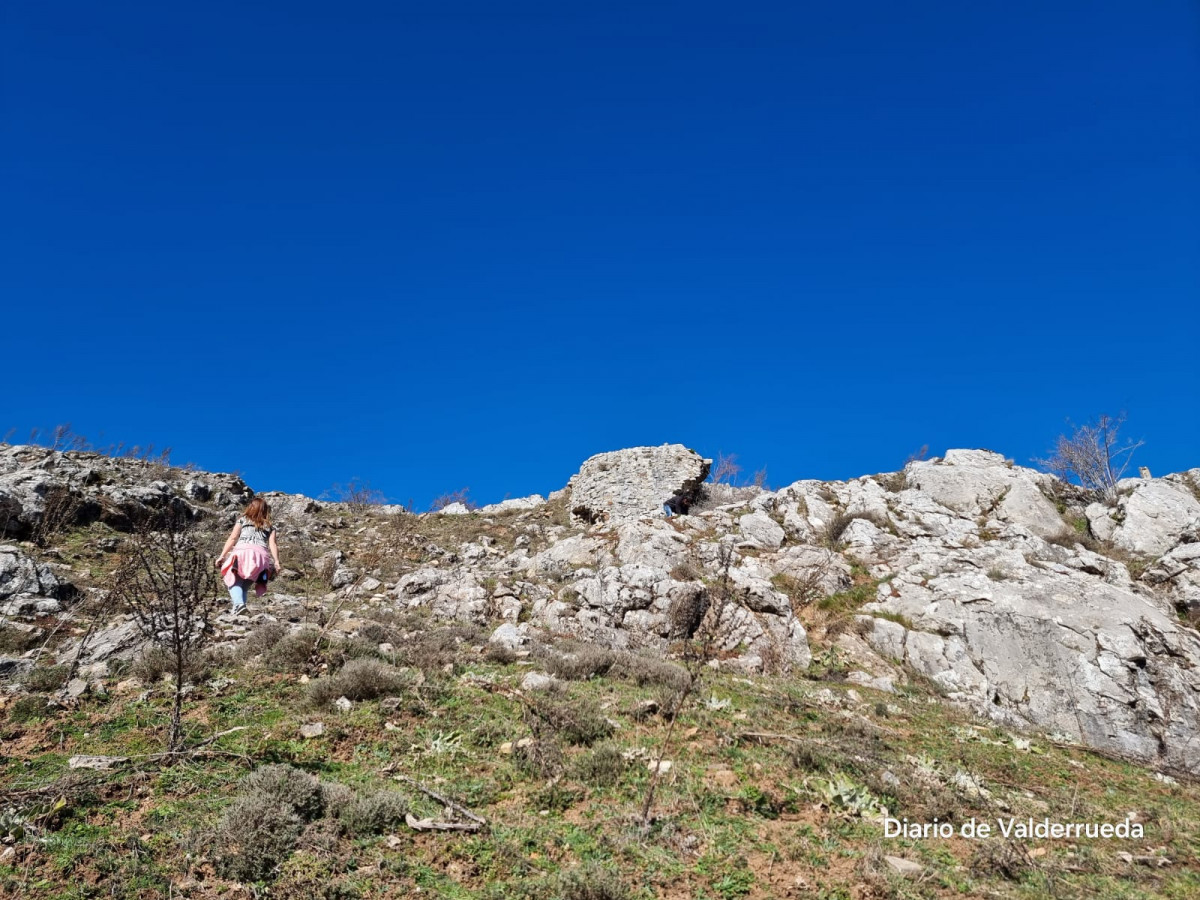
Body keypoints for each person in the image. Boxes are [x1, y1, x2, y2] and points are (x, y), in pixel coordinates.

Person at [216, 498, 281, 615]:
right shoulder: (270, 526)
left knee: (233, 581)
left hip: (243, 553)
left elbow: (233, 538)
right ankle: (238, 612)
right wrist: (276, 562)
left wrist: (222, 555)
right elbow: (273, 544)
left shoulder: (243, 520)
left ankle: (238, 605)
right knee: (244, 586)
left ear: (251, 507)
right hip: (262, 558)